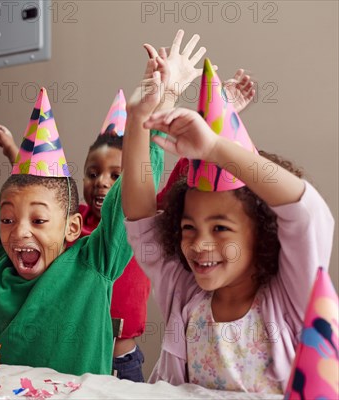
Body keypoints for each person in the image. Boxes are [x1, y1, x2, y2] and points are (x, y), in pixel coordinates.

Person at [0, 30, 255, 382]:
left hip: (123, 354)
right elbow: (35, 197)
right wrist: (15, 156)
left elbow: (171, 174)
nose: (102, 182)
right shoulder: (74, 229)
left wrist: (203, 119)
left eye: (116, 175)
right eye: (93, 173)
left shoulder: (120, 231)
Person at [121, 56, 334, 392]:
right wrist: (136, 119)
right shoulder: (185, 291)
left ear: (263, 233)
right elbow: (141, 218)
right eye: (189, 227)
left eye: (220, 228)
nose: (199, 244)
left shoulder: (291, 297)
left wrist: (216, 149)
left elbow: (305, 212)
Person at [0, 25, 135, 375]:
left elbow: (130, 197)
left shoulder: (95, 263)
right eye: (8, 218)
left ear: (73, 226)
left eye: (39, 220)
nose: (19, 233)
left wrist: (153, 114)